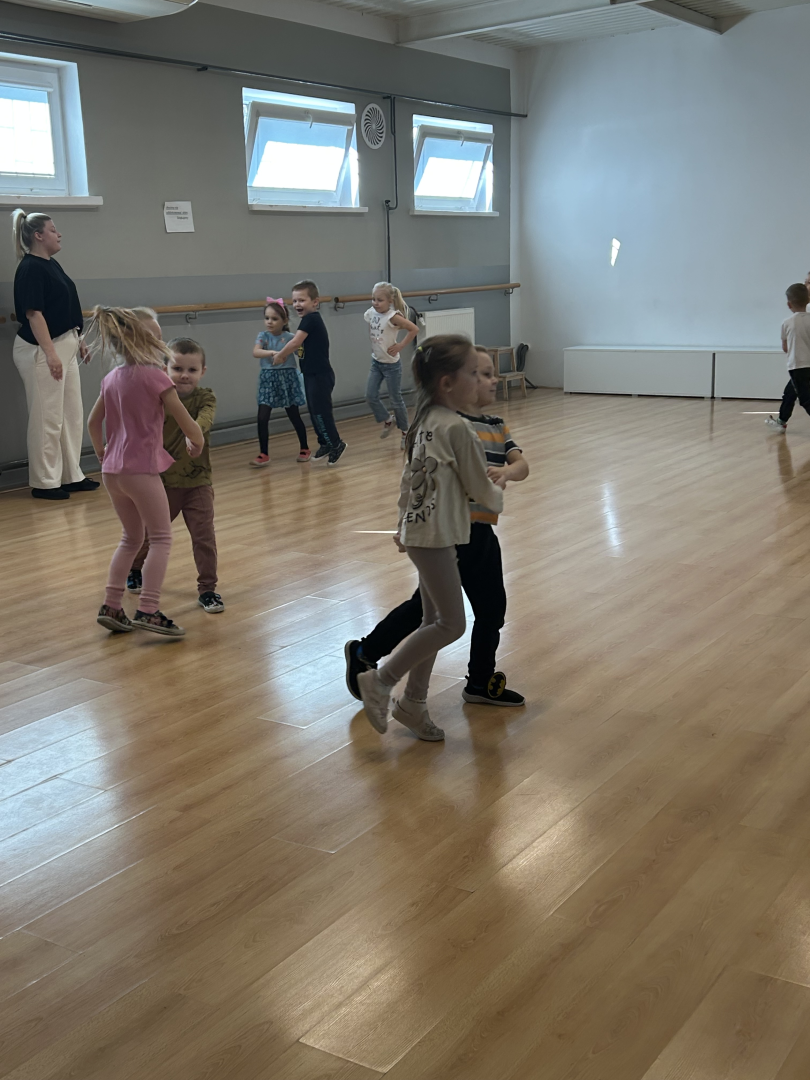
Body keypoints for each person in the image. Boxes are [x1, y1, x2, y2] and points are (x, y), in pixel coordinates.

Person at [346, 346, 528, 709]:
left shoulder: (495, 425)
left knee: (491, 609)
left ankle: (479, 681)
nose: (491, 380)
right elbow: (415, 480)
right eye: (481, 374)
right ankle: (366, 653)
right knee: (427, 611)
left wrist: (507, 472)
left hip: (481, 534)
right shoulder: (445, 426)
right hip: (446, 535)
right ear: (454, 382)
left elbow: (521, 465)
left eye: (491, 373)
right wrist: (405, 523)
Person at [86, 307, 204, 638]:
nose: (162, 342)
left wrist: (102, 452)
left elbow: (93, 422)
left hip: (113, 472)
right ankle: (148, 610)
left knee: (131, 537)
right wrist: (196, 441)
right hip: (141, 471)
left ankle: (112, 605)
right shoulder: (156, 378)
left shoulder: (111, 378)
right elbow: (184, 420)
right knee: (161, 538)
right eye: (157, 336)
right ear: (143, 342)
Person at [127, 337, 224, 614]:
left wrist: (193, 434)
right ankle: (134, 568)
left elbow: (204, 420)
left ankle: (208, 590)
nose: (184, 375)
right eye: (177, 368)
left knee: (204, 537)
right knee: (149, 534)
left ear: (202, 371)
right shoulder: (156, 398)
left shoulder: (206, 397)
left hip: (198, 482)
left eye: (192, 370)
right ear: (164, 368)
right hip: (162, 483)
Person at [10, 209, 99, 502]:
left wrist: (78, 339)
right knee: (46, 416)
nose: (58, 234)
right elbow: (34, 314)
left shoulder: (51, 264)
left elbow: (63, 308)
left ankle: (71, 474)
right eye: (52, 229)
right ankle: (45, 481)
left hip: (65, 345)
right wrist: (50, 353)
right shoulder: (30, 268)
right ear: (38, 236)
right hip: (40, 349)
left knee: (71, 414)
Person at [269, 280, 347, 465]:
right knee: (314, 411)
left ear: (315, 302)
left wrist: (280, 355)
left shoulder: (311, 319)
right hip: (311, 374)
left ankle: (336, 443)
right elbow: (301, 347)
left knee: (321, 412)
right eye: (295, 301)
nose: (297, 304)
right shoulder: (307, 321)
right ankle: (325, 443)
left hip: (320, 375)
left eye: (302, 300)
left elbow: (296, 342)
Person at [250, 298, 310, 466]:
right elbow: (256, 352)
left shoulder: (291, 337)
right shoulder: (263, 336)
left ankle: (304, 448)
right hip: (268, 380)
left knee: (294, 414)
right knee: (262, 417)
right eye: (267, 318)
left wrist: (298, 347)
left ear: (284, 321)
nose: (269, 322)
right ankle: (264, 453)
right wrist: (274, 353)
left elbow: (300, 352)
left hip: (287, 379)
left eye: (274, 319)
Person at [364, 282, 418, 446]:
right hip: (376, 362)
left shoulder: (393, 317)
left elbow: (414, 329)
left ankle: (405, 432)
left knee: (396, 400)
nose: (375, 303)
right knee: (370, 395)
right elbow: (372, 328)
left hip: (391, 366)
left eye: (380, 300)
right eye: (373, 299)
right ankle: (388, 419)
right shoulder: (371, 312)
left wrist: (400, 345)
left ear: (390, 301)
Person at [766, 282, 810, 432]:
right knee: (790, 393)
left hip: (797, 366)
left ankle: (781, 422)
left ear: (789, 304)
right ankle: (781, 421)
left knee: (805, 399)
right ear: (808, 300)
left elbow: (786, 348)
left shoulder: (787, 323)